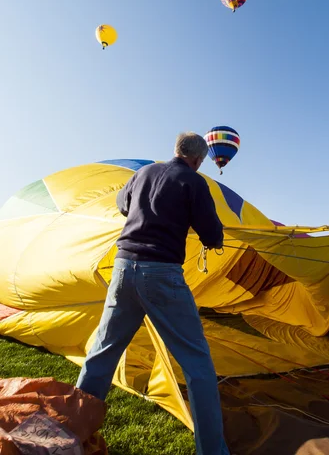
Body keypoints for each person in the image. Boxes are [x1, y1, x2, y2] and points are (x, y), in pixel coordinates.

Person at [76, 132, 230, 455]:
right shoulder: (194, 182)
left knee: (101, 353)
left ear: (176, 150)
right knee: (198, 364)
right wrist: (214, 240)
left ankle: (72, 433)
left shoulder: (142, 173)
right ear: (199, 160)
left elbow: (122, 204)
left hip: (123, 269)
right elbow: (213, 232)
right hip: (162, 274)